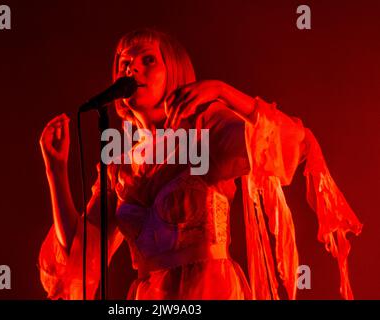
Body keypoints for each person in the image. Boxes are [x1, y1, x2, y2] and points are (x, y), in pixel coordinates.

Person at [38, 29, 362, 300]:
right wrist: (56, 170)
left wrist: (225, 91)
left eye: (147, 60)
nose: (131, 69)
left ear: (174, 69)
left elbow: (289, 141)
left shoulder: (205, 129)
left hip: (210, 290)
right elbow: (80, 254)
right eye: (124, 63)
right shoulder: (119, 164)